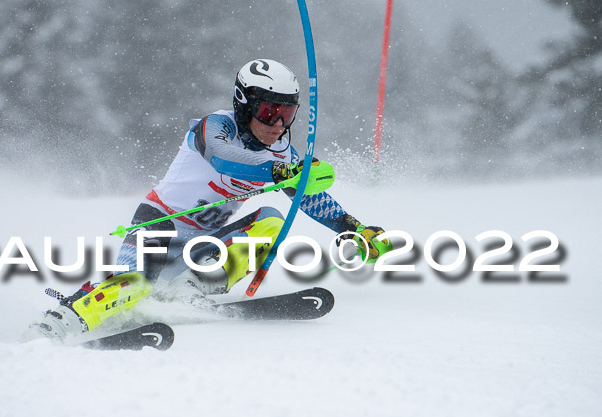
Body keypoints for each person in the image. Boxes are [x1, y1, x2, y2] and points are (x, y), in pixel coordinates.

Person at [27, 59, 389, 340]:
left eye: (288, 114)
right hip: (158, 226)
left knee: (271, 220)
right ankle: (58, 325)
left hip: (205, 244)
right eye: (269, 113)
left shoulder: (280, 150)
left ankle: (189, 288)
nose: (278, 125)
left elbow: (307, 198)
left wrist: (353, 228)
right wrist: (279, 170)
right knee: (131, 286)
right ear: (244, 105)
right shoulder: (216, 127)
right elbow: (222, 157)